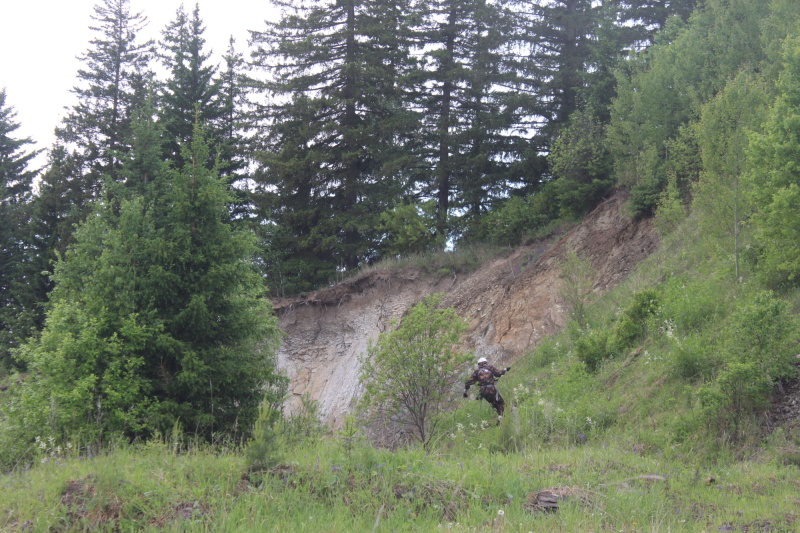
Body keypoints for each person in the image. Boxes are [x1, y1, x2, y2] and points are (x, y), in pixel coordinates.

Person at [463, 357, 510, 423]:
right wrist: (505, 369)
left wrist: (465, 391)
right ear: (486, 363)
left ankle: (500, 417)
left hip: (484, 392)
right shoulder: (490, 368)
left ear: (479, 364)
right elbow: (498, 373)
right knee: (501, 403)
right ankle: (501, 417)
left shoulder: (476, 372)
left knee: (494, 404)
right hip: (491, 389)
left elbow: (469, 382)